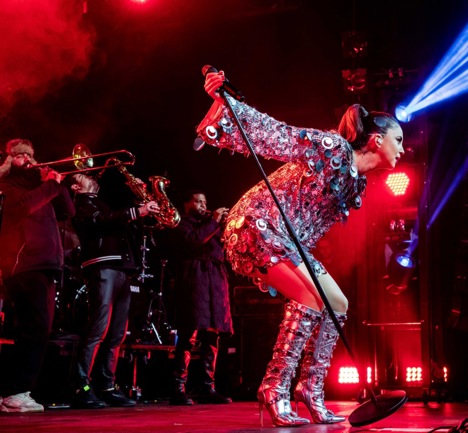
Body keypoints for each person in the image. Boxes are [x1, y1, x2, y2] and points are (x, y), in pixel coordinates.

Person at [195, 69, 404, 426]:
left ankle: (311, 389)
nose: (402, 148)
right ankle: (274, 388)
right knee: (309, 297)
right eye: (398, 139)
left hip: (288, 241)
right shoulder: (333, 147)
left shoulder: (357, 183)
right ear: (376, 139)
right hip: (256, 225)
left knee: (337, 303)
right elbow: (278, 134)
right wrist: (223, 104)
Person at [65, 171, 160, 409]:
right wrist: (137, 211)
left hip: (121, 268)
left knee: (117, 333)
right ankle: (80, 386)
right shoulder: (81, 205)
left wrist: (140, 204)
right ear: (75, 187)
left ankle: (106, 385)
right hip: (102, 267)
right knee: (98, 329)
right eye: (83, 176)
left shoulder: (101, 203)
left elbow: (119, 222)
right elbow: (102, 220)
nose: (90, 176)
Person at [0, 138, 75, 413]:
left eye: (29, 155)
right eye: (20, 155)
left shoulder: (41, 188)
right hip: (24, 264)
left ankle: (13, 391)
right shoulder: (7, 185)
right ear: (9, 160)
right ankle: (16, 391)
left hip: (45, 265)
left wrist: (57, 183)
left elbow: (68, 211)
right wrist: (50, 185)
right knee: (34, 328)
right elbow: (22, 207)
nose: (27, 160)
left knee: (37, 330)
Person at [164, 189, 234, 406]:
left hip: (215, 280)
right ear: (186, 204)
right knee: (188, 334)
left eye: (205, 201)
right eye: (198, 201)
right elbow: (192, 242)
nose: (204, 205)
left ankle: (206, 386)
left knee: (213, 335)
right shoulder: (180, 223)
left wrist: (227, 226)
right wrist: (214, 222)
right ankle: (178, 387)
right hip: (194, 278)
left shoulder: (211, 225)